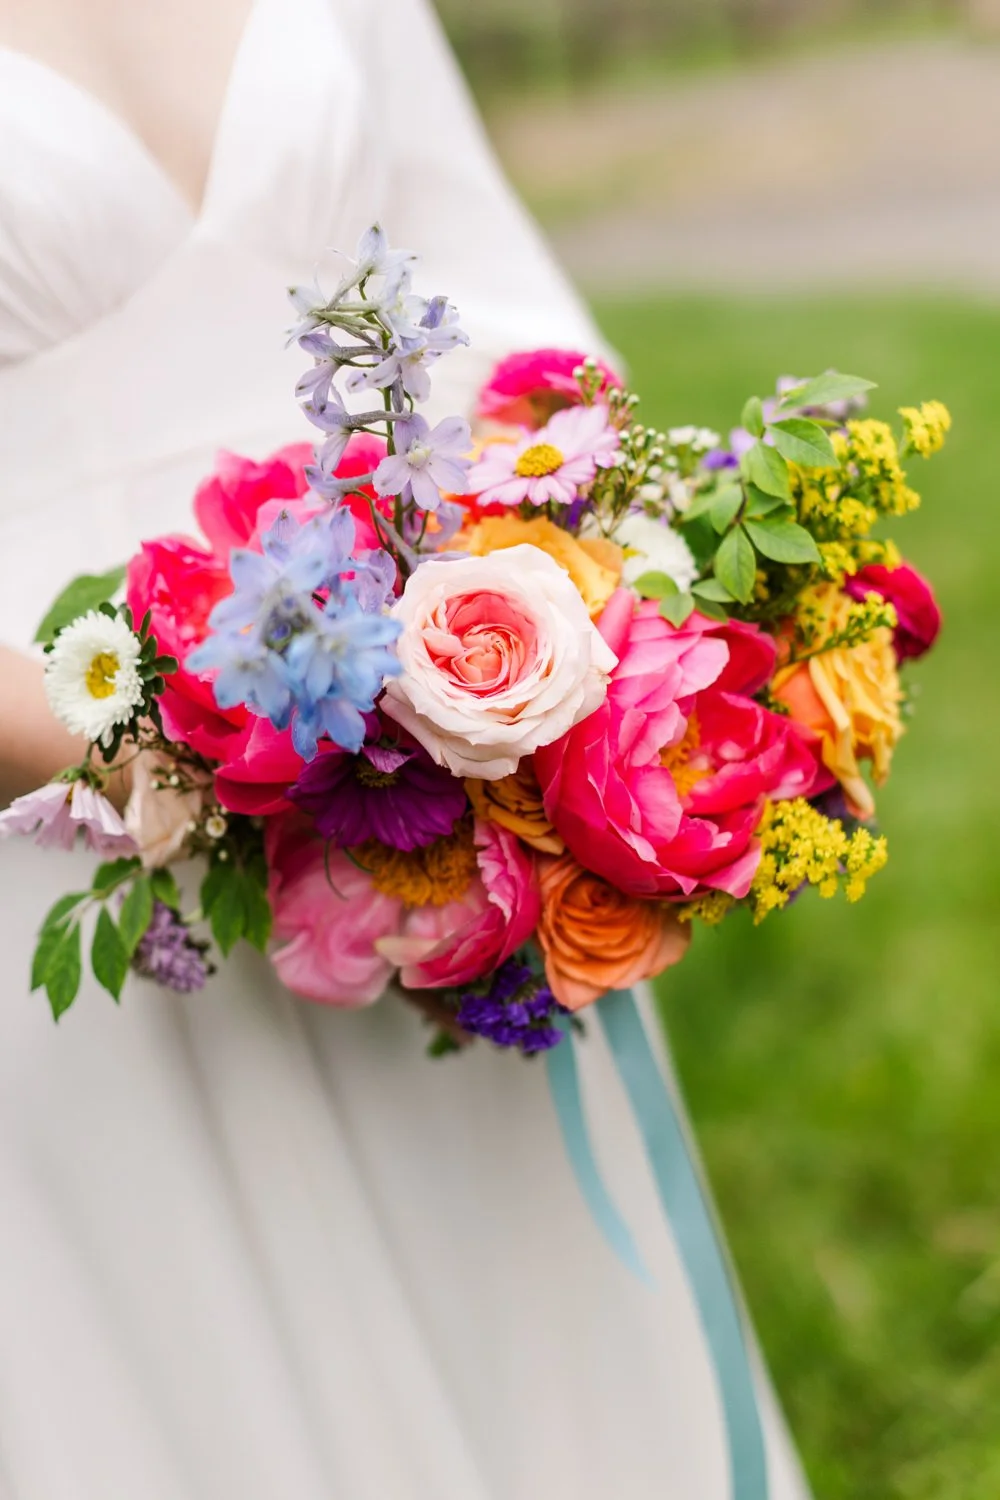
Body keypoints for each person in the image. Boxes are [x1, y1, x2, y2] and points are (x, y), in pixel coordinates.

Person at [0, 2, 812, 1495]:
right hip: (61, 812)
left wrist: (541, 625)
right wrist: (165, 742)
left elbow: (520, 332)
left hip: (433, 793)